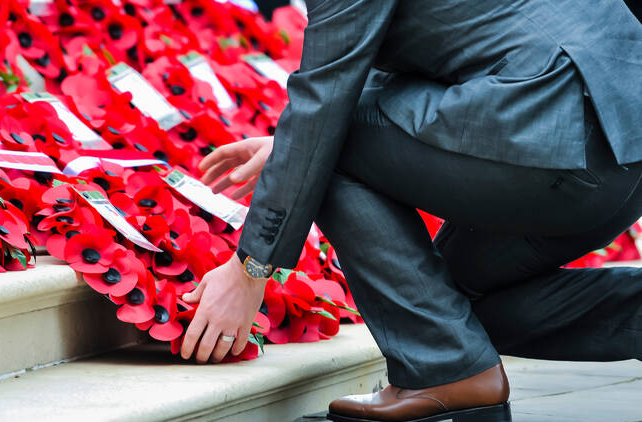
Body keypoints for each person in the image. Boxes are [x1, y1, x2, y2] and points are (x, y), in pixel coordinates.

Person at [179, 1, 642, 421]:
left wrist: (250, 270)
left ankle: (442, 367)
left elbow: (328, 100)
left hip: (555, 125)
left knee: (329, 144)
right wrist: (291, 150)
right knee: (450, 306)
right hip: (623, 138)